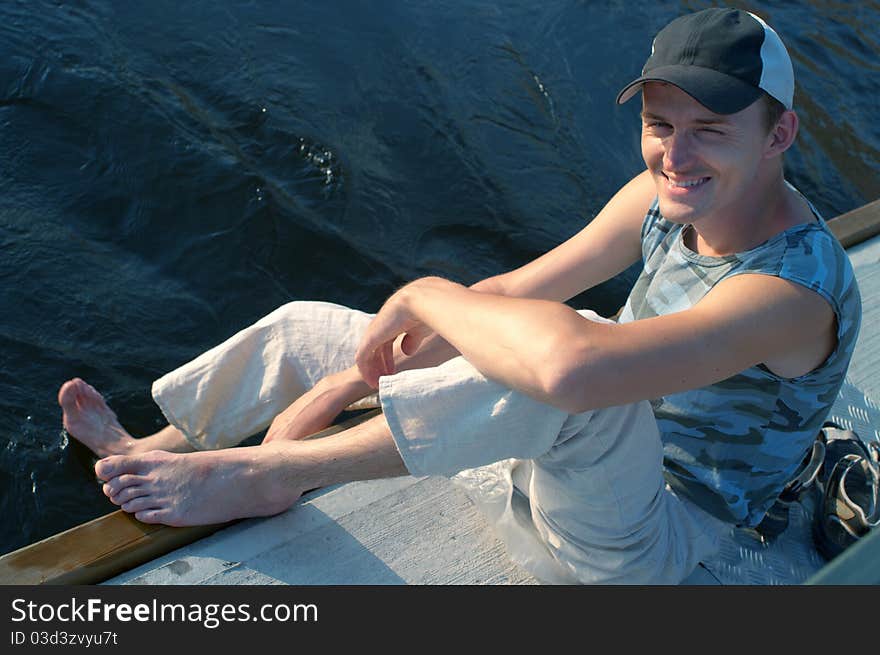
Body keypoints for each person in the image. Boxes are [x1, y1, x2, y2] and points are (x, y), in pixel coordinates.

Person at [58, 7, 861, 584]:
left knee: (567, 353)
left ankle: (272, 474)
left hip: (649, 537)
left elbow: (574, 374)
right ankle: (161, 443)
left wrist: (427, 292)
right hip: (563, 455)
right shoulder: (662, 196)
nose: (674, 154)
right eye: (659, 124)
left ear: (779, 135)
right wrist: (354, 376)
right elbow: (515, 288)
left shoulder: (794, 290)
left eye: (710, 130)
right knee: (311, 329)